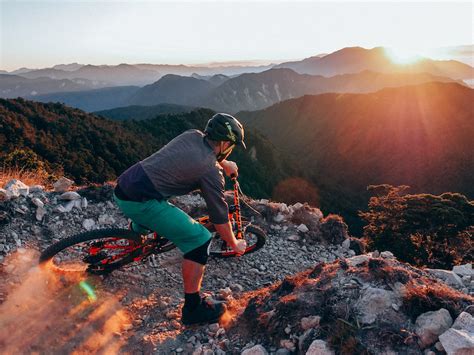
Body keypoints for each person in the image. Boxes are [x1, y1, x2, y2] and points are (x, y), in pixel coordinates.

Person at [113, 113, 247, 325]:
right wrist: (234, 243)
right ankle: (193, 309)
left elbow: (199, 156)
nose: (231, 148)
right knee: (200, 239)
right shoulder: (210, 172)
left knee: (159, 213)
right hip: (141, 202)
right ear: (223, 143)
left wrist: (224, 163)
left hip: (125, 186)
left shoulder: (192, 135)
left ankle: (136, 235)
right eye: (230, 144)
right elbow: (220, 218)